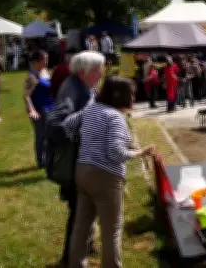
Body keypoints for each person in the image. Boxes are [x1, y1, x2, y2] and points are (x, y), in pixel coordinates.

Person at [62, 76, 155, 268]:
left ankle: (75, 264)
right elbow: (116, 153)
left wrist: (81, 142)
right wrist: (140, 152)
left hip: (82, 172)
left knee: (81, 227)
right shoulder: (116, 118)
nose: (134, 97)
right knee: (111, 230)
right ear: (121, 96)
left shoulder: (91, 109)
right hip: (105, 178)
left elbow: (68, 124)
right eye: (132, 93)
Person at [46, 51, 105, 267]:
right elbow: (55, 125)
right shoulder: (71, 89)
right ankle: (70, 259)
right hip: (74, 164)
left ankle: (86, 245)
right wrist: (84, 127)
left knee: (87, 207)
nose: (101, 74)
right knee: (79, 213)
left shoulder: (84, 87)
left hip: (84, 161)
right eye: (97, 70)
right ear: (83, 72)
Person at [24, 50, 54, 168]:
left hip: (50, 107)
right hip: (40, 109)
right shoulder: (32, 76)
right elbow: (26, 95)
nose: (46, 61)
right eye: (43, 59)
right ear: (37, 61)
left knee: (49, 135)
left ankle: (48, 158)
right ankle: (41, 161)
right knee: (41, 135)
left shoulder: (46, 72)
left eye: (46, 59)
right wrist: (32, 110)